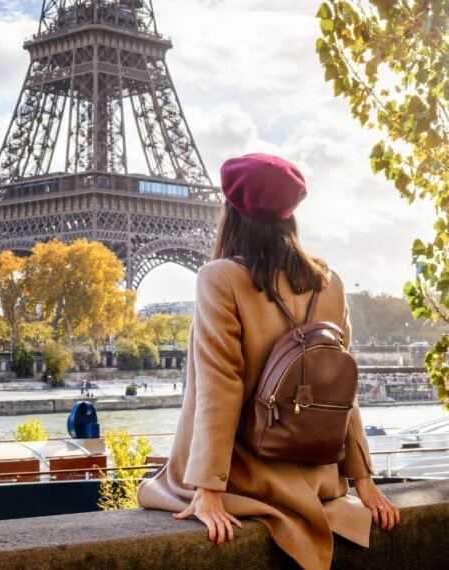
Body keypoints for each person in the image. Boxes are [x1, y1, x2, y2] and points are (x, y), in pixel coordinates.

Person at [137, 154, 400, 569]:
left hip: (249, 475)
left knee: (156, 488)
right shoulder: (328, 283)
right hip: (315, 475)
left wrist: (208, 489)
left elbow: (220, 386)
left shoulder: (220, 277)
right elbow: (341, 391)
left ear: (232, 212)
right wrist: (362, 478)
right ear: (290, 214)